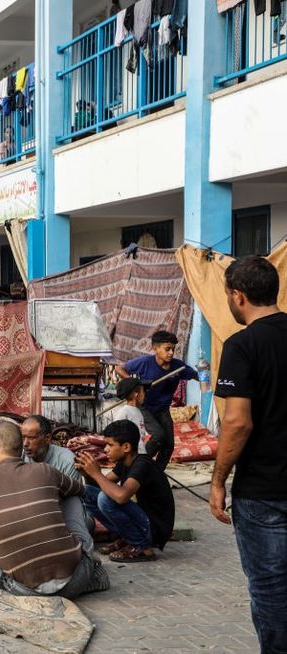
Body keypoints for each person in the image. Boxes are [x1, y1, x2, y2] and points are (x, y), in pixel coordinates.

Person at [209, 255, 287, 653]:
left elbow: (238, 423)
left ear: (238, 296)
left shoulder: (242, 345)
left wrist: (218, 480)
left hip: (263, 493)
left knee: (271, 592)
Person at [0, 423, 109, 608]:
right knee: (72, 497)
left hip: (23, 590)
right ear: (21, 448)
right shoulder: (45, 470)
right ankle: (90, 570)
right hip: (74, 582)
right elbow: (79, 489)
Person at [77, 420, 175, 563]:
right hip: (143, 521)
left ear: (126, 447)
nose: (106, 449)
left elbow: (121, 496)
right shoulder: (124, 463)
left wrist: (96, 474)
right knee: (86, 492)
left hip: (155, 528)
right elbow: (101, 486)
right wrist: (88, 475)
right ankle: (127, 538)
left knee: (105, 499)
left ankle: (141, 546)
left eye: (110, 445)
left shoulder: (142, 464)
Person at [115, 330, 198, 470]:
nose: (171, 353)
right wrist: (136, 384)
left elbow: (198, 376)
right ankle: (136, 467)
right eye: (167, 349)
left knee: (169, 445)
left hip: (163, 409)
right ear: (155, 348)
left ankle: (156, 472)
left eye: (173, 349)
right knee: (158, 436)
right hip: (145, 406)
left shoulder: (178, 366)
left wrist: (206, 375)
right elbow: (119, 368)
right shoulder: (145, 362)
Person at [21, 414, 94, 554]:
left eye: (31, 438)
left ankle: (85, 554)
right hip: (36, 513)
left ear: (47, 438)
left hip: (62, 511)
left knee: (74, 507)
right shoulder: (21, 458)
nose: (25, 444)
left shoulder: (67, 460)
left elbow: (67, 500)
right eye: (23, 437)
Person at [109, 377, 157, 454]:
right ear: (136, 394)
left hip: (141, 453)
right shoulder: (124, 412)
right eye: (143, 391)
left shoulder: (138, 411)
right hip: (132, 455)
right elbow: (116, 435)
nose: (144, 394)